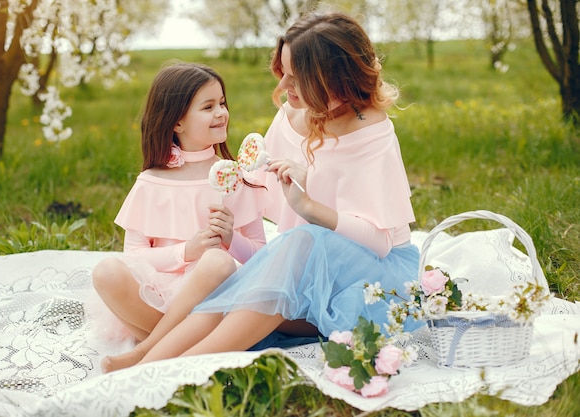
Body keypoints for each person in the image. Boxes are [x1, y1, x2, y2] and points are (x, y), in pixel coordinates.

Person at [117, 10, 422, 362]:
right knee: (243, 286)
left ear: (332, 79)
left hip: (371, 279)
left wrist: (307, 207)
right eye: (284, 72)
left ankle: (173, 365)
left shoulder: (370, 131)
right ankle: (146, 355)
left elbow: (380, 242)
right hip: (303, 268)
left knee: (301, 244)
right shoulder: (291, 114)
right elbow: (256, 202)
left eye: (297, 77)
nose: (283, 87)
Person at [90, 62, 267, 372]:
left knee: (217, 260)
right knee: (106, 271)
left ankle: (145, 351)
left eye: (222, 103)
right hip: (160, 299)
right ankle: (176, 345)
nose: (221, 113)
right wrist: (187, 251)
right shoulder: (153, 181)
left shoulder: (236, 177)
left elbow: (264, 258)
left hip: (217, 301)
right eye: (208, 106)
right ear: (177, 122)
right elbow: (134, 256)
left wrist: (232, 239)